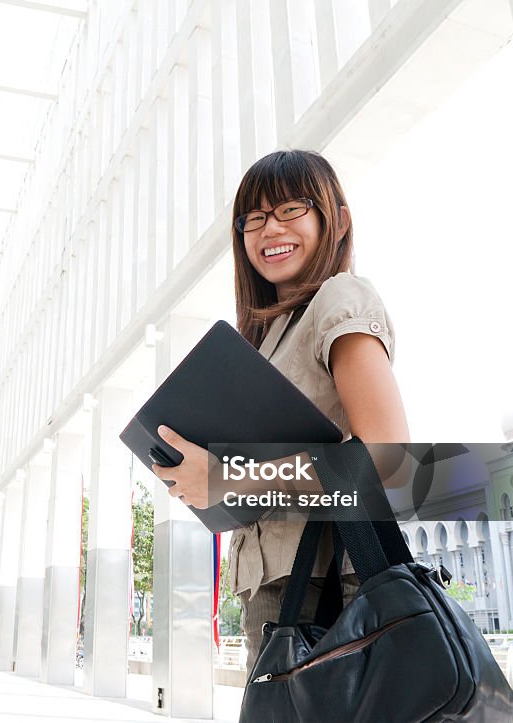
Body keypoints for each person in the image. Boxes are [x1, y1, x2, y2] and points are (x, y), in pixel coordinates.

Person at [150, 149, 410, 672]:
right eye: (254, 218)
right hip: (278, 587)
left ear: (334, 217)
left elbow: (384, 457)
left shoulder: (340, 296)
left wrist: (227, 480)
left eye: (291, 209)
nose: (270, 229)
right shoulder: (265, 337)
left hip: (330, 585)